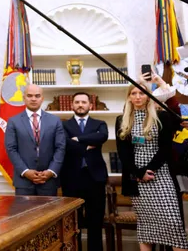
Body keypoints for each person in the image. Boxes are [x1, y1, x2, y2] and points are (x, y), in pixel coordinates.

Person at [115, 75, 188, 251]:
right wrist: (138, 173)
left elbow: (164, 148)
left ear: (149, 96)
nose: (137, 97)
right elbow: (123, 152)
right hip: (136, 178)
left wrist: (150, 169)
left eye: (141, 93)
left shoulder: (161, 116)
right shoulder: (122, 119)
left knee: (173, 223)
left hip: (160, 174)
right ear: (129, 97)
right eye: (133, 93)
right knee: (146, 226)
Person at [61, 92, 108, 251]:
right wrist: (88, 143)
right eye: (77, 102)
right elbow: (66, 144)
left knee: (95, 222)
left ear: (90, 105)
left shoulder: (100, 123)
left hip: (95, 178)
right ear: (72, 105)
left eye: (83, 102)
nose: (80, 105)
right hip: (72, 179)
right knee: (73, 224)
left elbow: (102, 137)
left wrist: (78, 140)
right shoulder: (63, 125)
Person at [5, 84, 66, 196]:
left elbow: (60, 148)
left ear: (42, 98)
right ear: (24, 98)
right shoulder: (13, 121)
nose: (33, 99)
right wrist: (25, 171)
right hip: (23, 181)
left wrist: (51, 172)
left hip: (48, 181)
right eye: (29, 96)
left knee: (49, 214)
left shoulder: (55, 121)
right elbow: (11, 149)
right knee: (25, 213)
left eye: (37, 96)